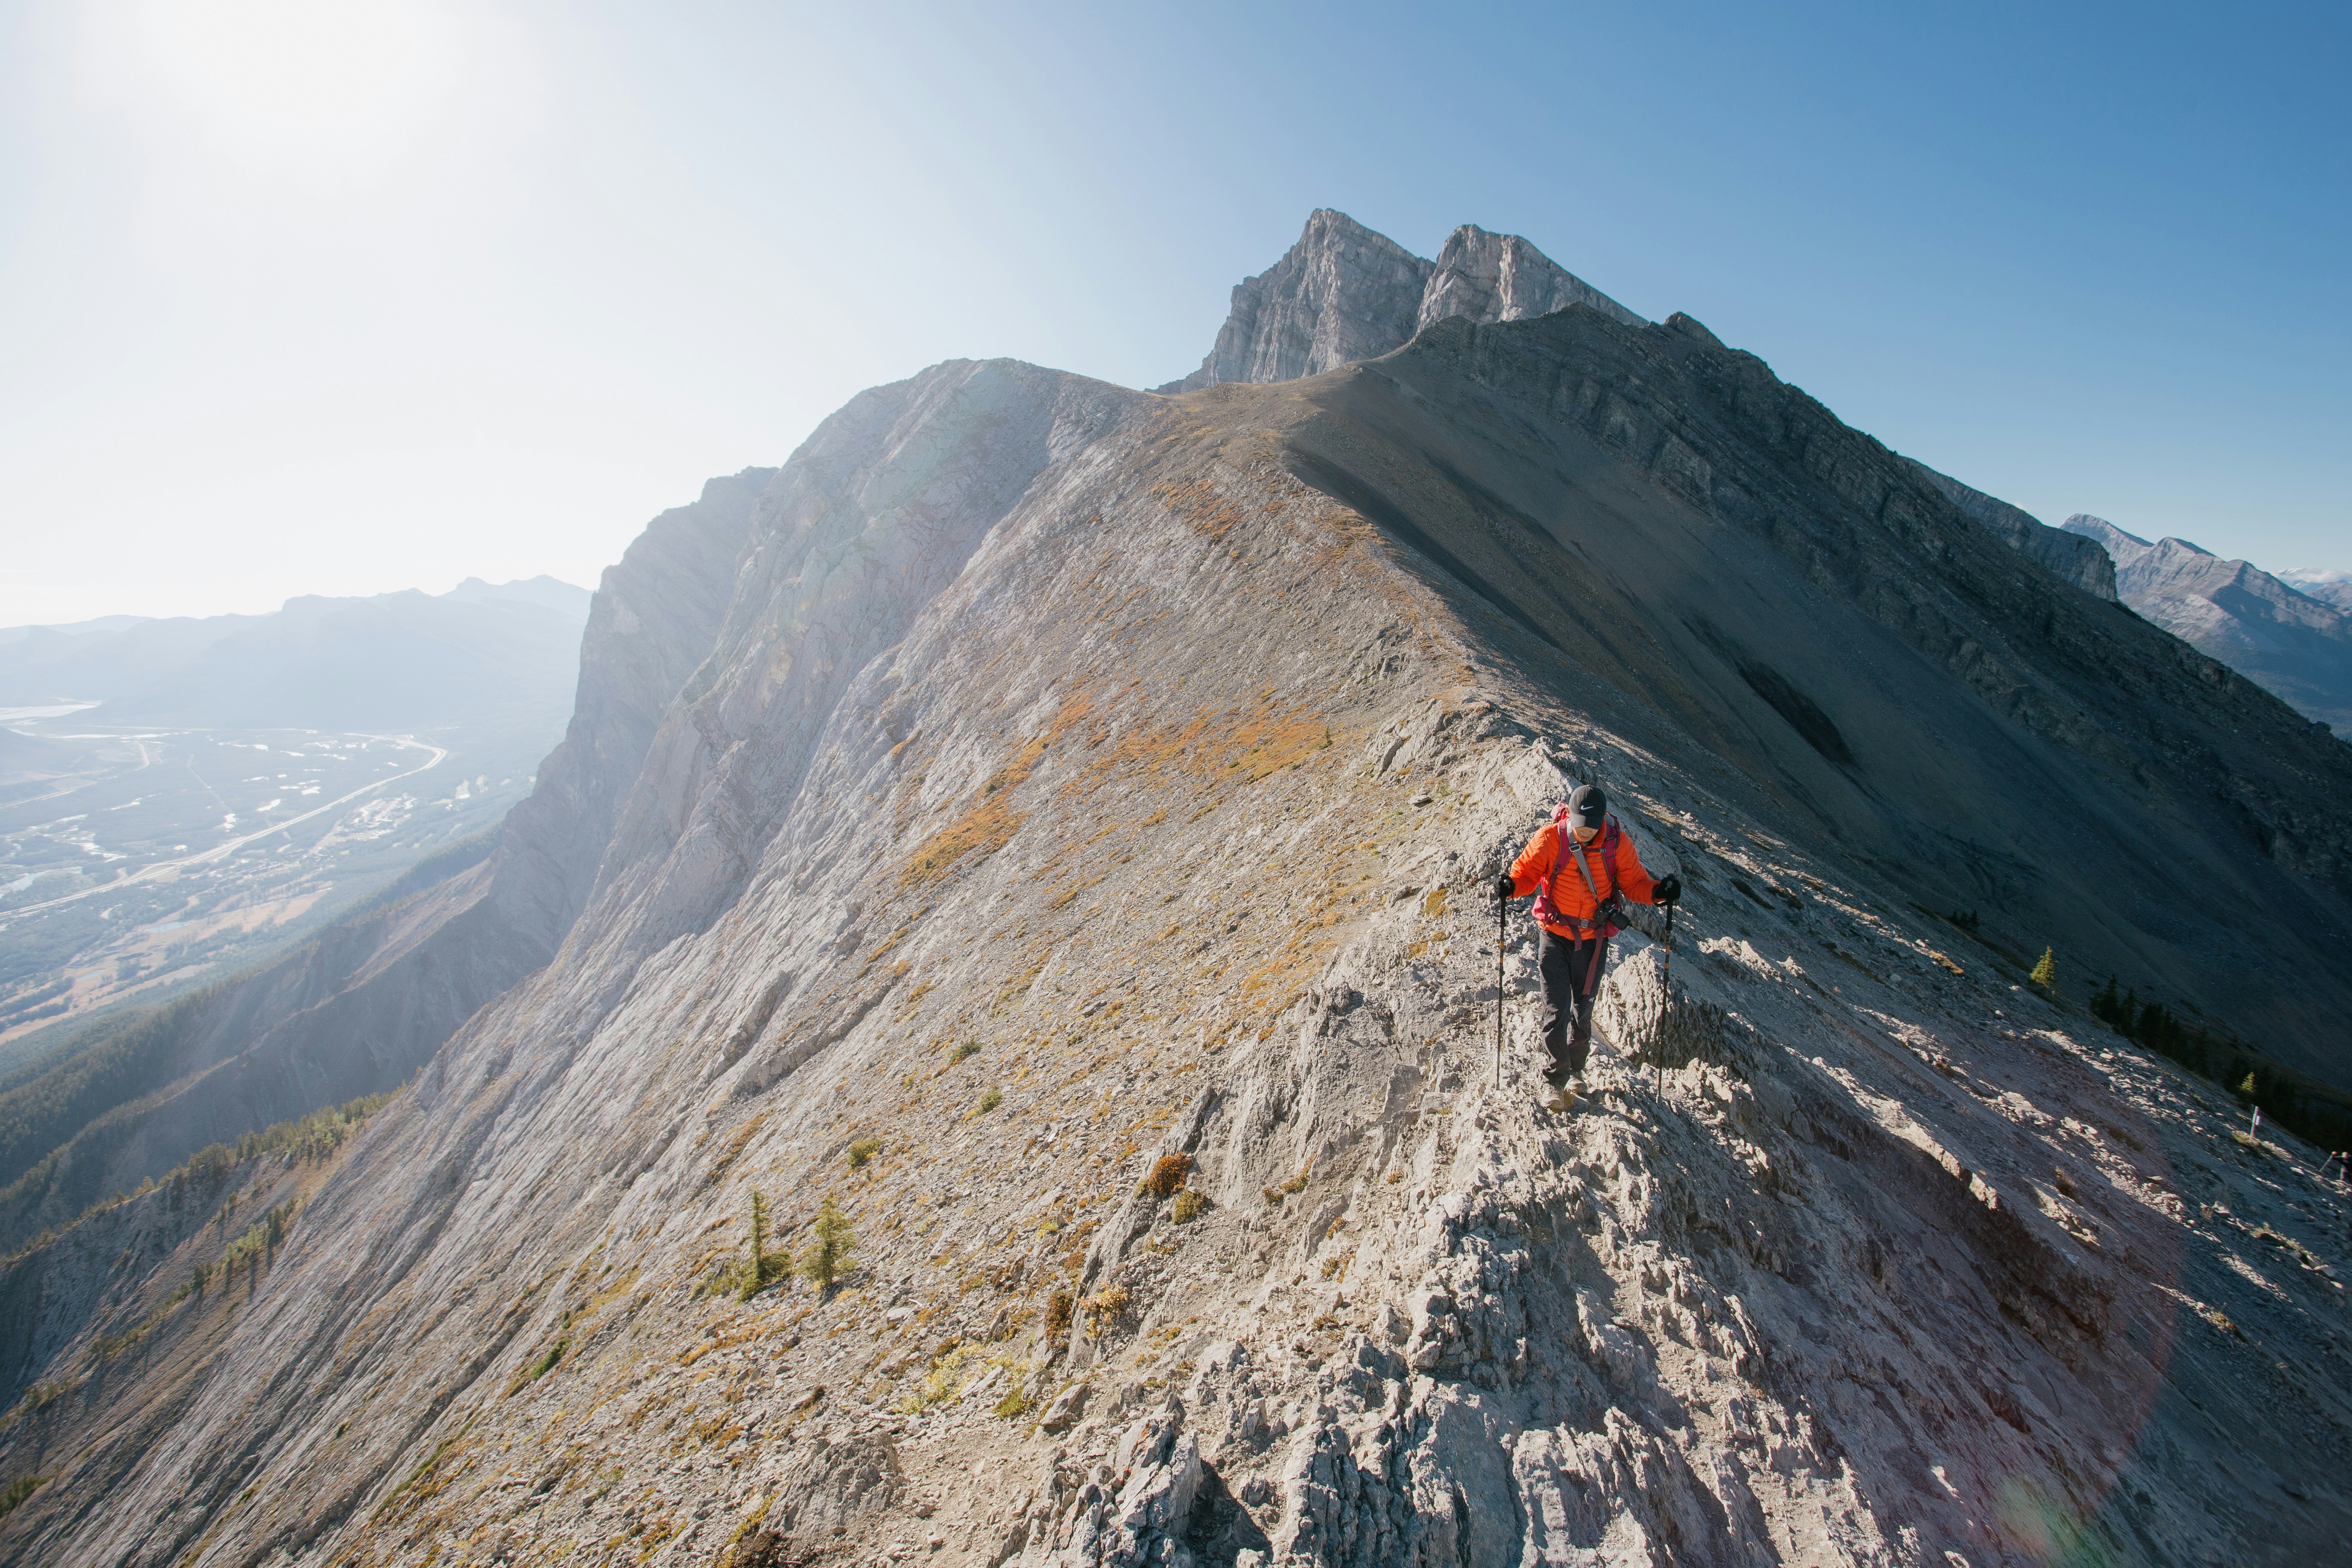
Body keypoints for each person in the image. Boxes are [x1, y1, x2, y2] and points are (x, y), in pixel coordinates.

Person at [1494, 783, 1679, 1112]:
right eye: (1580, 826)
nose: (1585, 833)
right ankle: (1555, 1081)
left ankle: (1576, 1072)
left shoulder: (1616, 844)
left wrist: (1659, 893)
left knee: (1583, 1011)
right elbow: (1526, 874)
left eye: (1591, 828)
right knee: (1556, 1009)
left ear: (1603, 821)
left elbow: (1635, 884)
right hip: (1554, 936)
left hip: (1594, 939)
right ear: (1571, 817)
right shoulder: (1551, 838)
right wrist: (1511, 887)